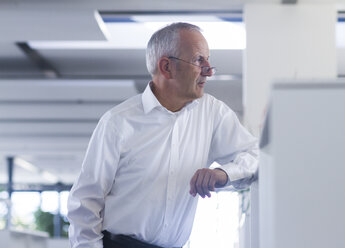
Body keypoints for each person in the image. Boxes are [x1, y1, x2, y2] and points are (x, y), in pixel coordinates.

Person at [67, 22, 259, 248]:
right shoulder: (118, 122)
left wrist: (223, 173)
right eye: (199, 60)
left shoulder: (213, 113)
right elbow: (85, 204)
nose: (209, 70)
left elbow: (256, 157)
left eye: (208, 60)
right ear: (167, 67)